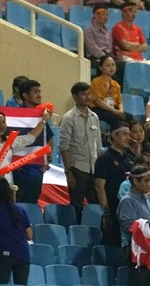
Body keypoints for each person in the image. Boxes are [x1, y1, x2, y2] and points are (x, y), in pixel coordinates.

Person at [60, 82, 103, 222]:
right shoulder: (68, 118)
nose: (87, 97)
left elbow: (99, 145)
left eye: (89, 93)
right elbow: (64, 147)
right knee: (76, 204)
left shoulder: (94, 117)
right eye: (83, 94)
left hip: (94, 168)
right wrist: (69, 172)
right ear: (75, 96)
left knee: (96, 204)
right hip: (78, 168)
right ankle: (76, 228)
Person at [0, 109, 52, 187]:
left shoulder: (9, 141)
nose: (1, 124)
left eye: (3, 122)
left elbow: (30, 138)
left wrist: (44, 120)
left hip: (8, 185)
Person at [13, 79, 54, 204]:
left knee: (31, 206)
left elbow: (50, 138)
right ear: (25, 95)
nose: (39, 95)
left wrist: (48, 158)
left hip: (37, 169)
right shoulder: (16, 115)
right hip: (20, 170)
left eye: (40, 91)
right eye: (35, 92)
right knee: (18, 205)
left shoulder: (41, 115)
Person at [94, 121, 134, 246]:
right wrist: (106, 213)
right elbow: (100, 187)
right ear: (114, 136)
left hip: (128, 211)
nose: (128, 137)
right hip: (113, 210)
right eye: (124, 134)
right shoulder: (104, 159)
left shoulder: (130, 159)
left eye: (129, 134)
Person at [90, 54, 133, 128]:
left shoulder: (116, 84)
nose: (111, 68)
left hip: (113, 109)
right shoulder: (95, 82)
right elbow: (98, 101)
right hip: (99, 110)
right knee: (119, 120)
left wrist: (120, 111)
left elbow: (119, 102)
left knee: (130, 118)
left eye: (113, 65)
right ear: (101, 67)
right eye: (108, 65)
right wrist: (115, 111)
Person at [112, 2, 150, 67]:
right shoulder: (118, 27)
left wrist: (131, 46)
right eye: (131, 12)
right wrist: (137, 44)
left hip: (139, 58)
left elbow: (145, 47)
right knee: (134, 66)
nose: (134, 14)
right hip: (125, 57)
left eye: (135, 12)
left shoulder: (138, 29)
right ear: (124, 13)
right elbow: (125, 46)